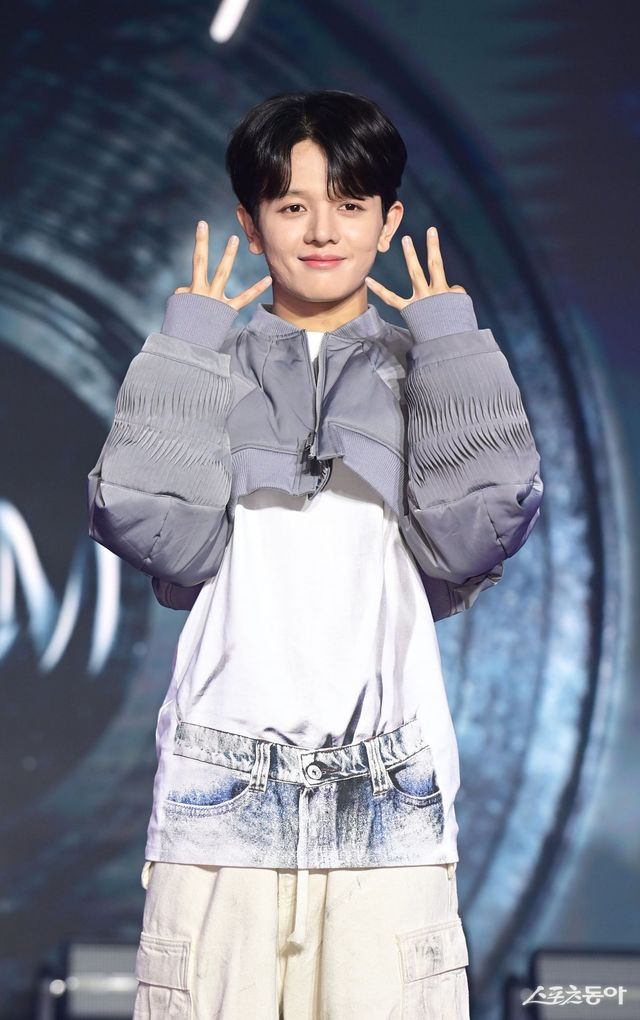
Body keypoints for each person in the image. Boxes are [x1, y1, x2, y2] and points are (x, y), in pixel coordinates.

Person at [86, 89, 543, 1019]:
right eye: (292, 205)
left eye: (350, 203)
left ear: (389, 221)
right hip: (221, 799)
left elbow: (476, 531)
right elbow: (150, 525)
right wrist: (186, 344)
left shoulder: (430, 369)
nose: (323, 230)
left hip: (389, 799)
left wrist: (451, 342)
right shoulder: (208, 365)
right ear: (251, 224)